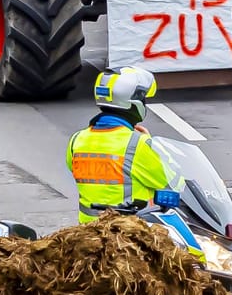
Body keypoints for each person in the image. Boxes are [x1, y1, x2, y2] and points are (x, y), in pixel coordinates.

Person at [66, 66, 172, 221]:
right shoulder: (138, 144)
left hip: (86, 234)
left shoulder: (77, 140)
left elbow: (76, 169)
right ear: (134, 102)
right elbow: (169, 182)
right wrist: (151, 145)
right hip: (128, 233)